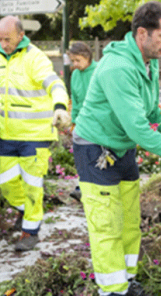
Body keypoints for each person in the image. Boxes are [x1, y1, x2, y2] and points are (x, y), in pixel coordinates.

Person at [73, 1, 161, 296]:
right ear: (142, 34)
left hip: (121, 150)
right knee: (106, 224)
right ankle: (112, 290)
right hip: (95, 150)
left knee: (128, 221)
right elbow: (139, 130)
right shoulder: (118, 69)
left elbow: (151, 114)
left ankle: (126, 279)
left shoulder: (147, 62)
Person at [0, 16, 71, 251]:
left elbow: (54, 84)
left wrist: (59, 106)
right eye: (0, 39)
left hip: (35, 135)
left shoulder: (35, 58)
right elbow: (1, 93)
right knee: (4, 180)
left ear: (20, 35)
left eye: (7, 39)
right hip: (9, 133)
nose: (3, 44)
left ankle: (30, 232)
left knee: (32, 184)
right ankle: (27, 211)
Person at [67, 41, 98, 202]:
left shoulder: (99, 71)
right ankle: (83, 187)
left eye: (78, 60)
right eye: (73, 61)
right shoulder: (75, 75)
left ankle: (87, 188)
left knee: (94, 156)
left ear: (87, 57)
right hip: (82, 123)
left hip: (98, 122)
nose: (75, 64)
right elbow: (76, 100)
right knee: (82, 157)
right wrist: (73, 122)